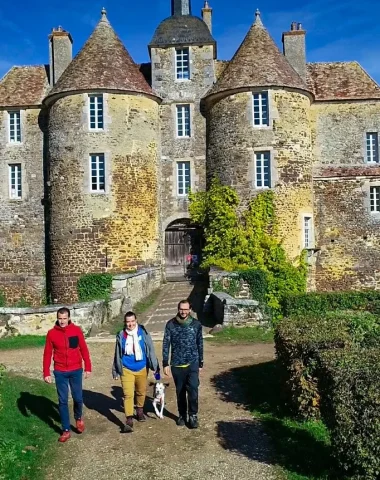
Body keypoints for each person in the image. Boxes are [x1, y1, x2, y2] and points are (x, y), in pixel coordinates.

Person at [43, 307, 92, 443]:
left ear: (69, 318)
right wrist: (46, 372)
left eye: (65, 318)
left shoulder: (76, 331)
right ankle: (65, 430)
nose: (62, 321)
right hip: (60, 372)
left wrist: (88, 367)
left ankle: (78, 418)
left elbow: (83, 349)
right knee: (63, 401)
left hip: (76, 370)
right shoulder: (52, 333)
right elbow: (47, 353)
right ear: (57, 318)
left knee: (78, 398)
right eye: (60, 318)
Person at [112, 311, 159, 433]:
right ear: (125, 323)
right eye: (128, 322)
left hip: (142, 367)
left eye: (132, 321)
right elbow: (117, 353)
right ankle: (129, 419)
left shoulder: (143, 333)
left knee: (141, 391)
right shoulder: (121, 335)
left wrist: (155, 367)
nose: (130, 324)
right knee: (128, 394)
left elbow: (151, 350)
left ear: (136, 321)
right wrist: (115, 370)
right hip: (126, 368)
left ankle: (139, 410)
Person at [162, 299, 203, 429]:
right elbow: (166, 344)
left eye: (186, 309)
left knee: (193, 391)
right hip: (177, 364)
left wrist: (201, 362)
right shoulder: (171, 324)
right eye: (181, 309)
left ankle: (193, 415)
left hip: (193, 363)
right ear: (178, 309)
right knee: (180, 392)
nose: (183, 311)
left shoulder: (196, 325)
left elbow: (200, 343)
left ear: (190, 310)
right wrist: (165, 363)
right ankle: (182, 415)